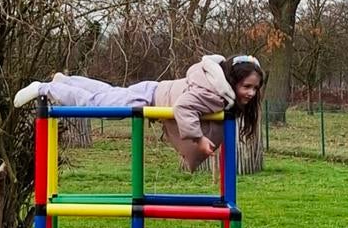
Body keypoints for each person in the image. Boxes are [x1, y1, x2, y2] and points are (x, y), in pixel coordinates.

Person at [14, 54, 264, 171]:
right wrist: (198, 139)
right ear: (232, 81)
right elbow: (183, 108)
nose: (251, 93)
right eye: (246, 87)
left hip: (152, 91)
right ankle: (45, 88)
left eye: (255, 88)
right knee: (100, 105)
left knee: (108, 94)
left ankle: (67, 82)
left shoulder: (217, 87)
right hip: (147, 98)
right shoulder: (213, 93)